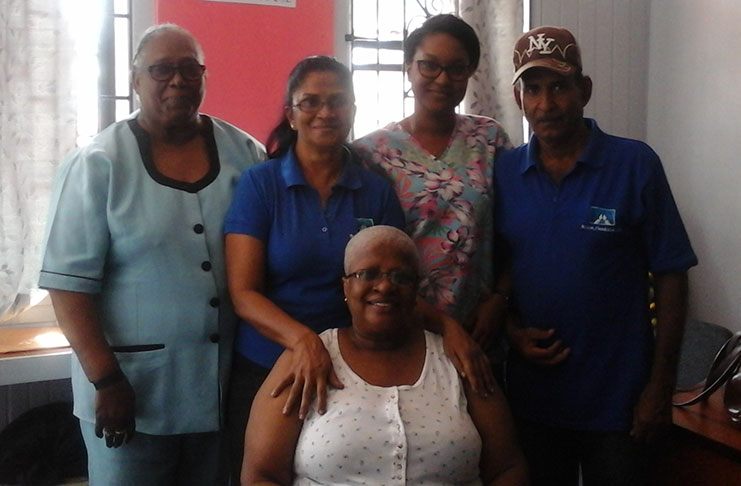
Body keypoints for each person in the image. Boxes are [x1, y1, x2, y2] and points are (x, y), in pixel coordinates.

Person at [38, 24, 265, 486]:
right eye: (161, 70)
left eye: (190, 69)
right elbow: (67, 287)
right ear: (135, 79)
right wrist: (106, 380)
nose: (177, 81)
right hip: (131, 396)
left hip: (222, 391)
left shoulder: (247, 154)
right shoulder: (97, 164)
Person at [495, 26, 698, 486]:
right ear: (518, 96)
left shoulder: (635, 165)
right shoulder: (505, 173)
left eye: (559, 87)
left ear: (584, 90)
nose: (546, 104)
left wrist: (661, 385)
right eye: (533, 89)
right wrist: (510, 333)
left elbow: (671, 273)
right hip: (535, 402)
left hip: (620, 404)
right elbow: (497, 272)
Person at [223, 55, 406, 483]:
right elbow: (243, 293)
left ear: (353, 111)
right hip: (267, 367)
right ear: (290, 115)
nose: (325, 112)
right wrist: (303, 341)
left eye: (338, 101)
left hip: (349, 371)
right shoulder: (260, 185)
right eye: (310, 102)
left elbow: (393, 284)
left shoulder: (375, 191)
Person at [242, 225, 529, 486]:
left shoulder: (458, 359)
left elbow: (507, 467)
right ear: (346, 286)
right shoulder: (307, 360)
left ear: (416, 289)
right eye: (367, 274)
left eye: (400, 277)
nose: (384, 286)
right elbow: (261, 475)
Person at [353, 14, 512, 376]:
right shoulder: (372, 152)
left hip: (479, 330)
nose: (443, 79)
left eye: (457, 68)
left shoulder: (489, 139)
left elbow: (518, 230)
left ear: (471, 72)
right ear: (408, 66)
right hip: (402, 327)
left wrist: (500, 301)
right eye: (429, 66)